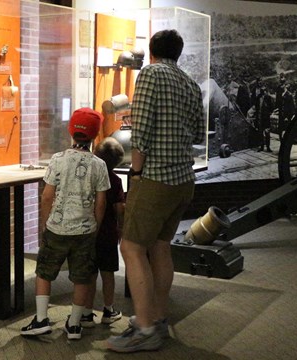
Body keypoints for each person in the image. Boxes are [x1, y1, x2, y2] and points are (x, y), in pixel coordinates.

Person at [106, 29, 205, 353]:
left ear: (152, 52)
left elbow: (142, 130)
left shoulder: (150, 73)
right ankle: (157, 318)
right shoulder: (189, 82)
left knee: (132, 248)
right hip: (183, 180)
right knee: (161, 248)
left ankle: (145, 329)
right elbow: (197, 130)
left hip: (155, 179)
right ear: (178, 52)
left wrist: (135, 173)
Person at [21, 108, 110, 340]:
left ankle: (41, 319)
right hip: (85, 231)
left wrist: (44, 223)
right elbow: (101, 203)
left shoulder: (57, 160)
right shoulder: (99, 165)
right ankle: (74, 324)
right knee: (82, 276)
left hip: (56, 229)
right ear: (95, 135)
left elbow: (47, 196)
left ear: (71, 131)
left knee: (44, 272)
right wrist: (96, 227)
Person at [81, 137, 126, 328]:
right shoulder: (114, 180)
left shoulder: (87, 177)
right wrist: (121, 227)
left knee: (90, 274)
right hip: (108, 235)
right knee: (108, 274)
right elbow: (120, 208)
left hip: (90, 233)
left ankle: (86, 313)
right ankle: (108, 310)